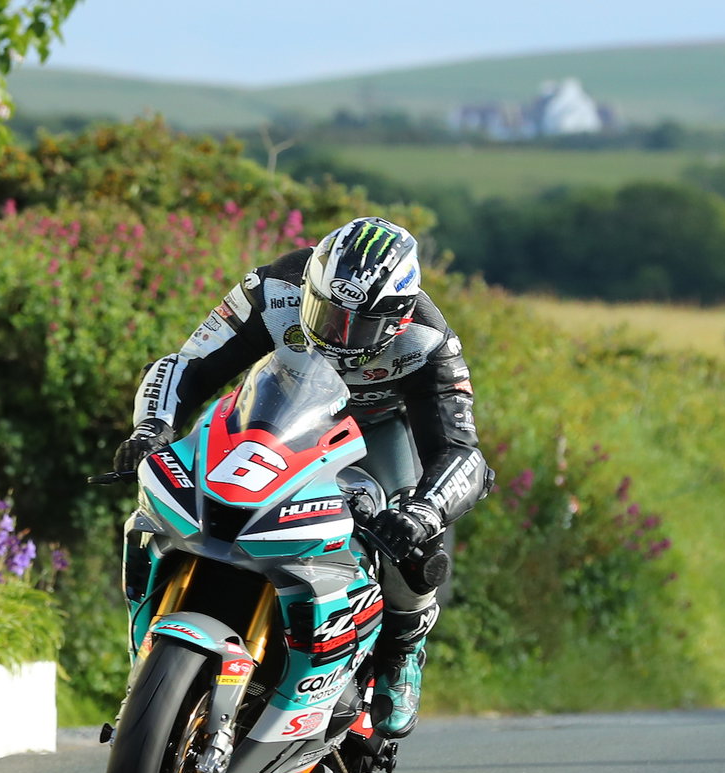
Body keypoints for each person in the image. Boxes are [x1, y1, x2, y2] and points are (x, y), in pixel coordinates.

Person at [111, 216, 489, 740]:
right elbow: (188, 364)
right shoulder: (273, 286)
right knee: (185, 479)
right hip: (282, 409)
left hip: (378, 435)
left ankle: (404, 647)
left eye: (356, 323)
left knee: (412, 536)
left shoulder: (429, 342)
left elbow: (461, 450)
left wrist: (421, 511)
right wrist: (152, 428)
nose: (336, 331)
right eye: (325, 310)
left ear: (398, 320)